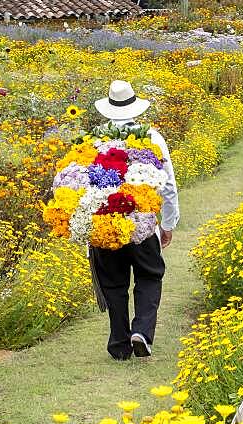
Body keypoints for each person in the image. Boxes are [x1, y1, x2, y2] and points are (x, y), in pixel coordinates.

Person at [91, 80, 180, 360]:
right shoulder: (152, 138)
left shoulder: (95, 140)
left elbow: (84, 184)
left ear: (108, 109)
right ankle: (141, 330)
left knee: (114, 284)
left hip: (107, 224)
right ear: (135, 106)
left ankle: (119, 343)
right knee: (149, 276)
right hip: (142, 223)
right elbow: (167, 185)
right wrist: (168, 223)